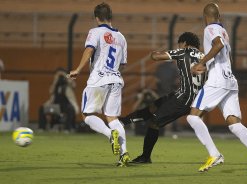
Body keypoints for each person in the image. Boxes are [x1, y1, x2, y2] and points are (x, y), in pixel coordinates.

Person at [187, 3, 247, 175]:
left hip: (217, 80)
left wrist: (201, 63)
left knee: (193, 117)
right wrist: (209, 65)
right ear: (219, 16)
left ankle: (214, 154)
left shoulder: (210, 28)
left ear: (205, 16)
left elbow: (217, 46)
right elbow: (226, 54)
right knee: (233, 123)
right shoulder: (224, 31)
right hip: (230, 80)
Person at [119, 32, 206, 164]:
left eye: (180, 44)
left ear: (184, 43)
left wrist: (155, 52)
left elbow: (156, 57)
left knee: (154, 122)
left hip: (183, 98)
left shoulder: (183, 52)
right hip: (194, 98)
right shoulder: (205, 57)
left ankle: (145, 156)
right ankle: (123, 122)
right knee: (154, 106)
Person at [68, 2, 130, 167]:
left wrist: (78, 69)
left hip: (98, 79)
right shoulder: (121, 37)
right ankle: (124, 154)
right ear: (111, 17)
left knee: (87, 115)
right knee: (113, 118)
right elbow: (122, 64)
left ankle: (110, 135)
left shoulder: (95, 32)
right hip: (116, 80)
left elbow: (89, 50)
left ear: (97, 18)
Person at [38, 68, 79, 132]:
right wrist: (55, 79)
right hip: (55, 105)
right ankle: (41, 128)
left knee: (70, 109)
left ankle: (67, 129)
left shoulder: (68, 85)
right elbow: (50, 91)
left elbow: (74, 85)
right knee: (42, 108)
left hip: (66, 105)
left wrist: (65, 75)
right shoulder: (56, 85)